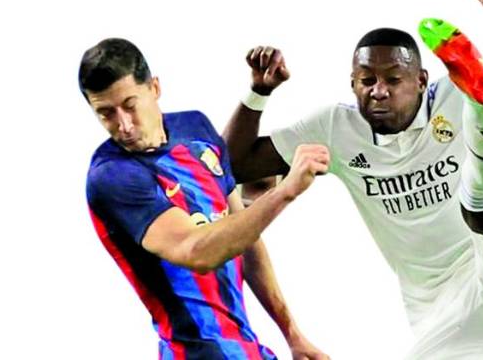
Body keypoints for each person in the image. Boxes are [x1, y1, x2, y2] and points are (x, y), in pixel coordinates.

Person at [223, 0, 483, 359]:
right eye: (367, 80)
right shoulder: (335, 128)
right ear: (352, 84)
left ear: (420, 81)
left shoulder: (448, 95)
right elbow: (230, 166)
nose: (379, 91)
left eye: (393, 79)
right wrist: (258, 92)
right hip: (448, 323)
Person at [79, 38, 330, 360]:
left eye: (130, 105)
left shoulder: (195, 128)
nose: (124, 125)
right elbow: (196, 251)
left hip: (244, 347)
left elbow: (246, 238)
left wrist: (292, 334)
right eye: (106, 114)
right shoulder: (113, 176)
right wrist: (285, 191)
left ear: (154, 88)